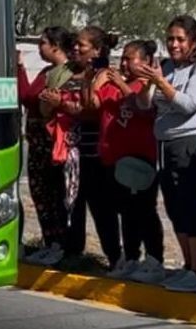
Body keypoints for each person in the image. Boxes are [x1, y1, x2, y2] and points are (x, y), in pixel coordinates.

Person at [133, 15, 196, 294]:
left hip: (188, 143)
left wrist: (162, 83)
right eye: (170, 39)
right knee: (173, 206)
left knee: (190, 203)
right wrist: (148, 83)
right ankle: (186, 265)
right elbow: (145, 105)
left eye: (180, 39)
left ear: (193, 41)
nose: (174, 44)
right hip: (164, 144)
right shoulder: (166, 67)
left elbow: (188, 104)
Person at [86, 39, 163, 282]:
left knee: (144, 211)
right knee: (126, 212)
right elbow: (93, 104)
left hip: (140, 160)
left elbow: (143, 109)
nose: (124, 63)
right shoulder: (113, 84)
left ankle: (155, 259)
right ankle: (131, 257)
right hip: (113, 161)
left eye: (130, 58)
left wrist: (122, 84)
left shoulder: (147, 86)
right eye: (123, 58)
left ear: (145, 62)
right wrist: (92, 81)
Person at [45, 27, 119, 265]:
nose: (75, 48)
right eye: (75, 44)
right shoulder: (65, 74)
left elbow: (92, 111)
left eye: (82, 46)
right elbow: (48, 107)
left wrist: (63, 105)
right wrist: (51, 103)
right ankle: (73, 251)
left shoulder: (104, 75)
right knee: (71, 204)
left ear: (96, 50)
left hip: (94, 153)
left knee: (102, 209)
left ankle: (115, 257)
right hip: (69, 152)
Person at [18, 27, 75, 266]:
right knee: (41, 193)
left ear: (55, 46)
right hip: (37, 143)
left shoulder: (66, 74)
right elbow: (27, 96)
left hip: (53, 143)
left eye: (43, 43)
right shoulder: (46, 72)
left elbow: (47, 104)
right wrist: (19, 68)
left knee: (55, 194)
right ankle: (49, 240)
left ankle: (61, 243)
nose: (39, 48)